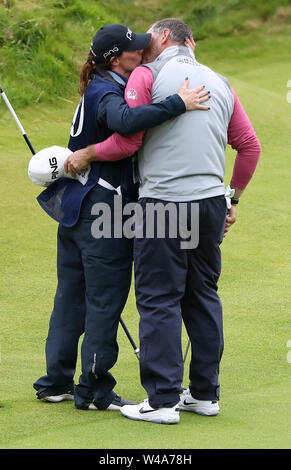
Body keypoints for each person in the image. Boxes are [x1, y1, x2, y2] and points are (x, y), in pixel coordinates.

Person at [66, 18, 261, 424]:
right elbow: (249, 146)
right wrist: (232, 198)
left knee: (158, 298)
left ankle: (163, 401)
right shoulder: (218, 80)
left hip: (163, 205)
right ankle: (205, 395)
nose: (145, 44)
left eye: (150, 37)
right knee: (203, 296)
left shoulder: (145, 73)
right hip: (210, 205)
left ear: (166, 38)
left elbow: (128, 140)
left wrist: (86, 154)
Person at [33, 23, 210, 412]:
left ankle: (55, 382)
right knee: (103, 302)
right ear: (117, 59)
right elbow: (128, 123)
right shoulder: (107, 91)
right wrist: (179, 102)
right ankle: (94, 391)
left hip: (76, 208)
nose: (145, 53)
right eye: (137, 50)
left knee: (71, 298)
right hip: (103, 212)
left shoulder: (96, 86)